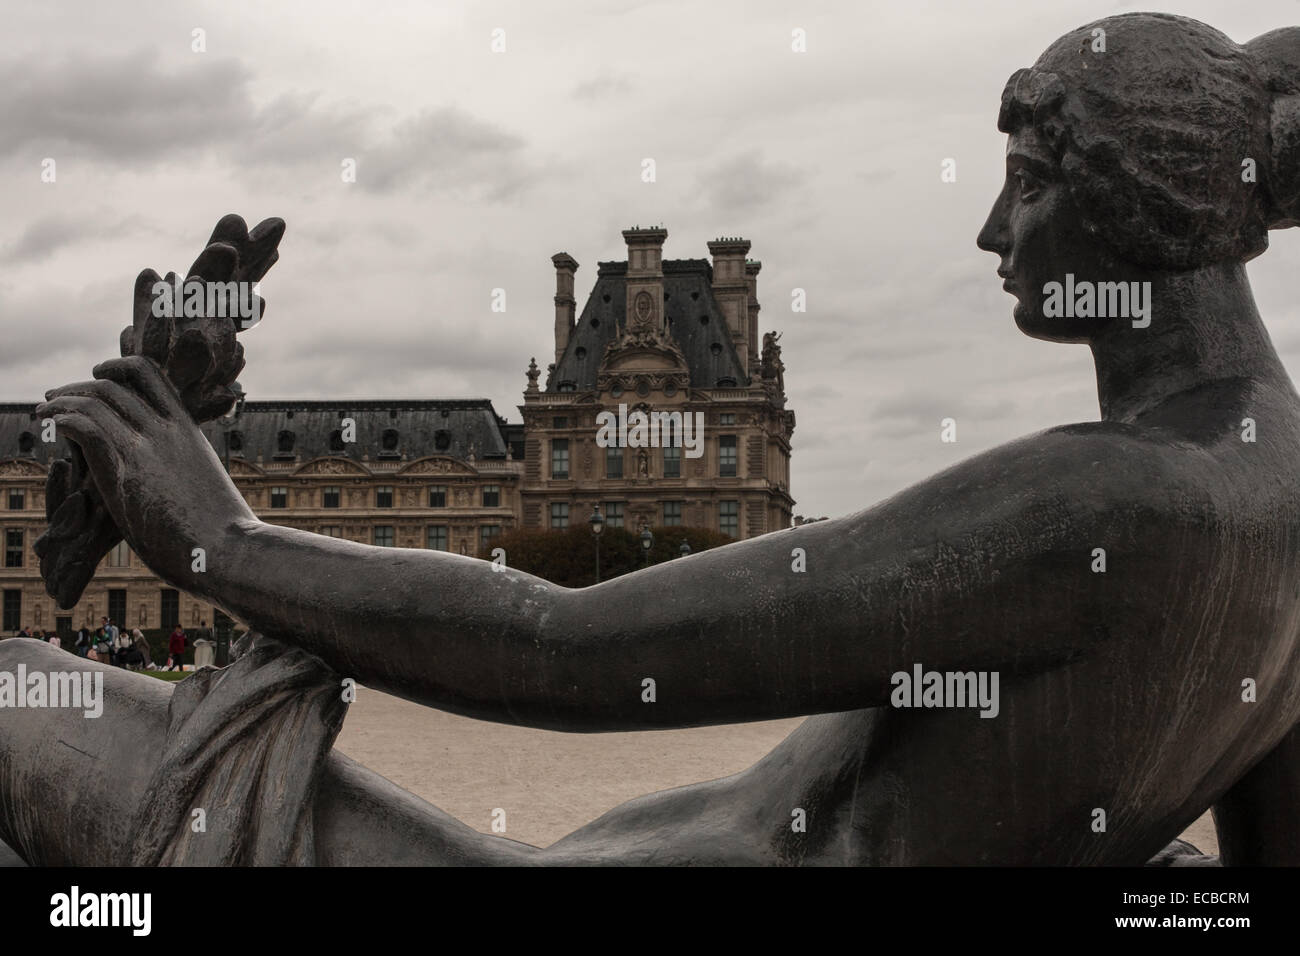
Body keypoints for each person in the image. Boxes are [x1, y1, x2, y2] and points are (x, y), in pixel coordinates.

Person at [12, 14, 1300, 866]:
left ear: (1134, 195)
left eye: (1029, 175)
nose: (993, 227)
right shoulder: (1275, 495)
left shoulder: (1116, 503)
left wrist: (217, 538)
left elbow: (566, 650)